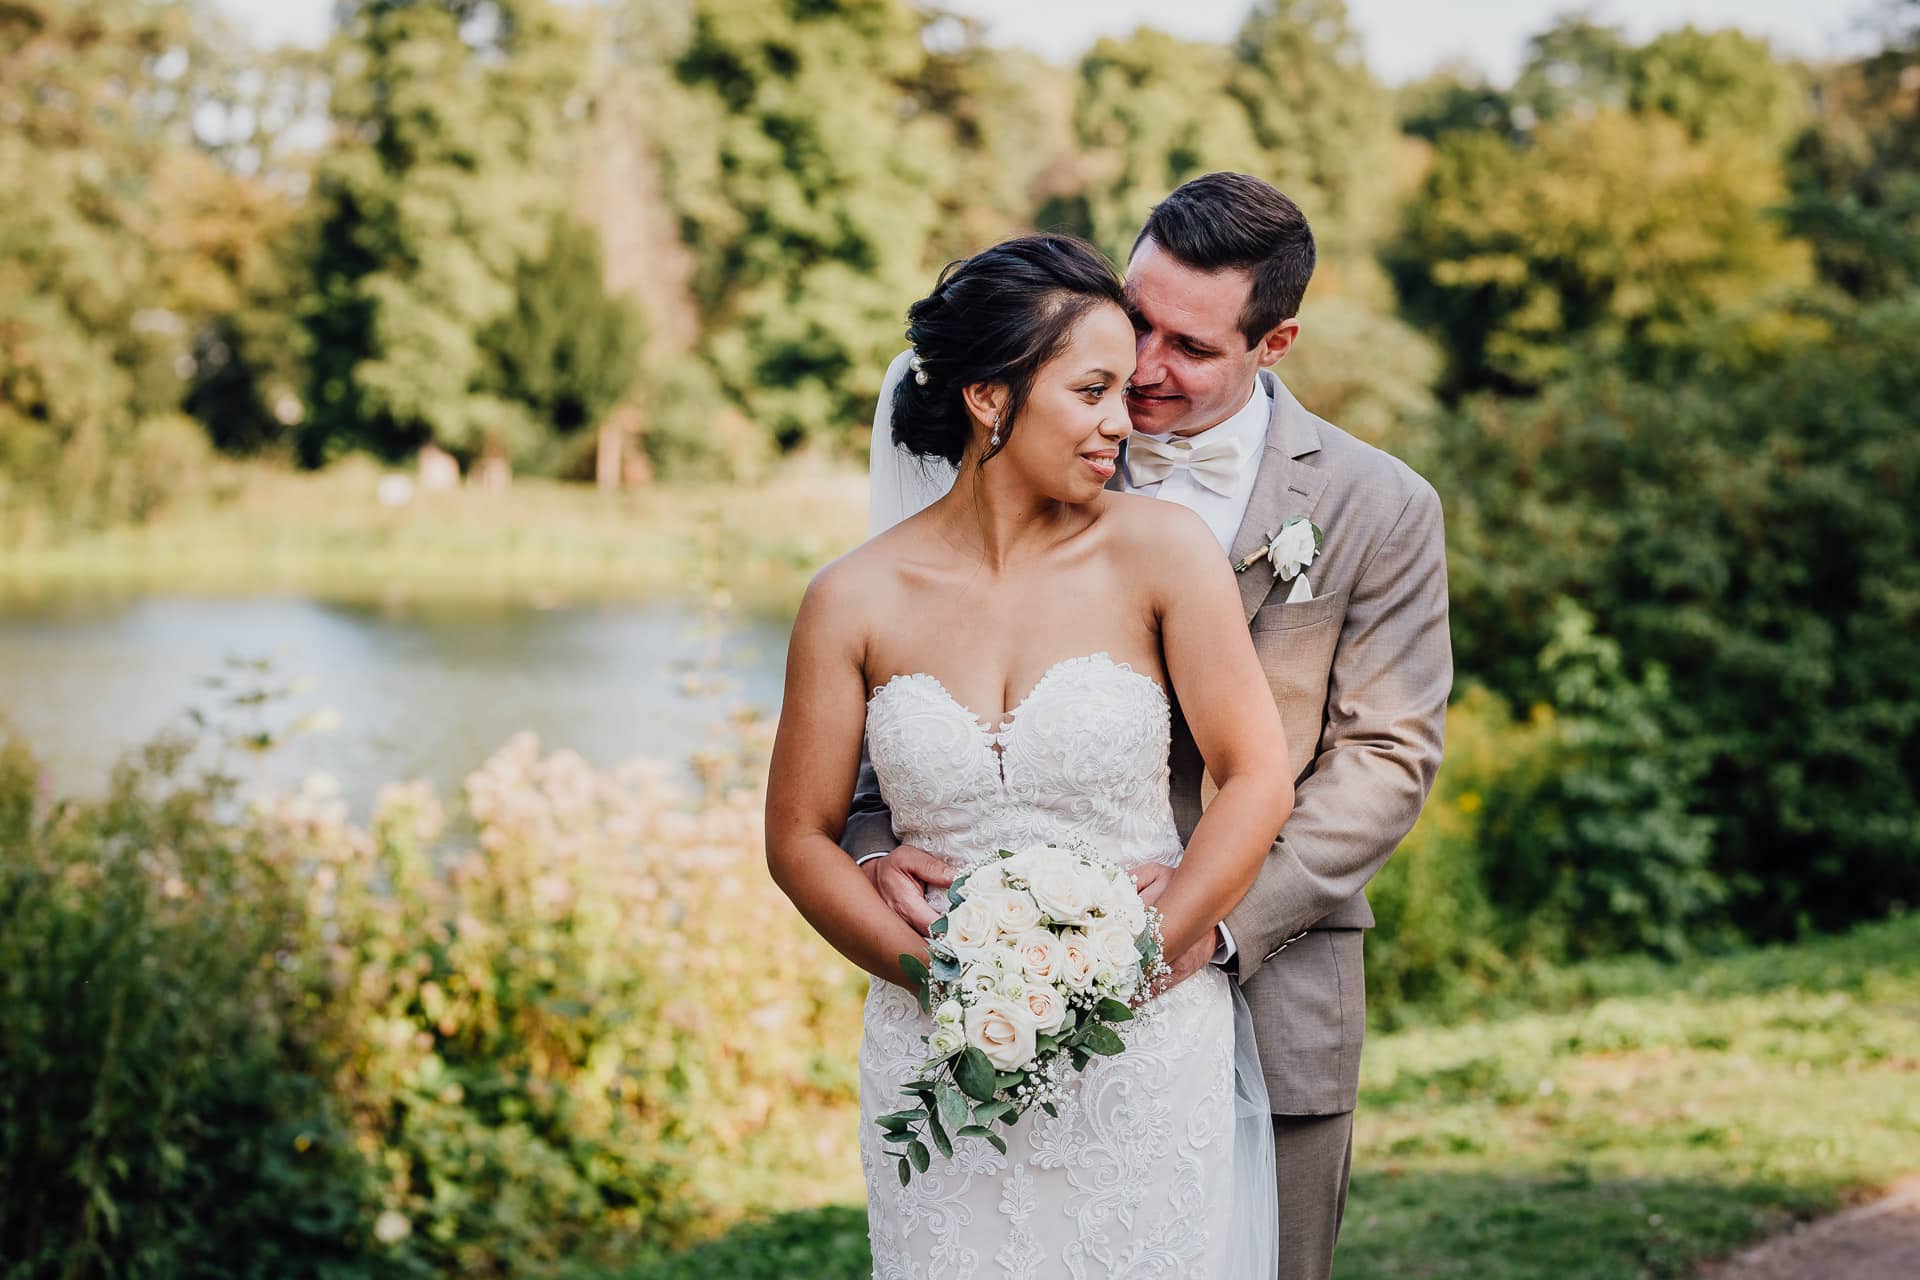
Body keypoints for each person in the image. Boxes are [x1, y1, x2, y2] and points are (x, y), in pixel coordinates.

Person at [851, 173, 1453, 1280]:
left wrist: (1196, 922)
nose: (1146, 370)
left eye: (1190, 345)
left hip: (1269, 990)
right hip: (993, 992)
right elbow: (892, 694)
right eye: (1138, 320)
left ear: (1275, 343)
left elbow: (1388, 754)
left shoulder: (1381, 506)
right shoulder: (1039, 435)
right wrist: (876, 854)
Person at [765, 233, 1296, 1278]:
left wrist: (1135, 959)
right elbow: (798, 837)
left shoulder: (1161, 551)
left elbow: (1256, 773)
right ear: (989, 398)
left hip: (1140, 1050)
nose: (1122, 418)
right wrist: (943, 982)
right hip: (938, 1055)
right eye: (1093, 388)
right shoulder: (851, 599)